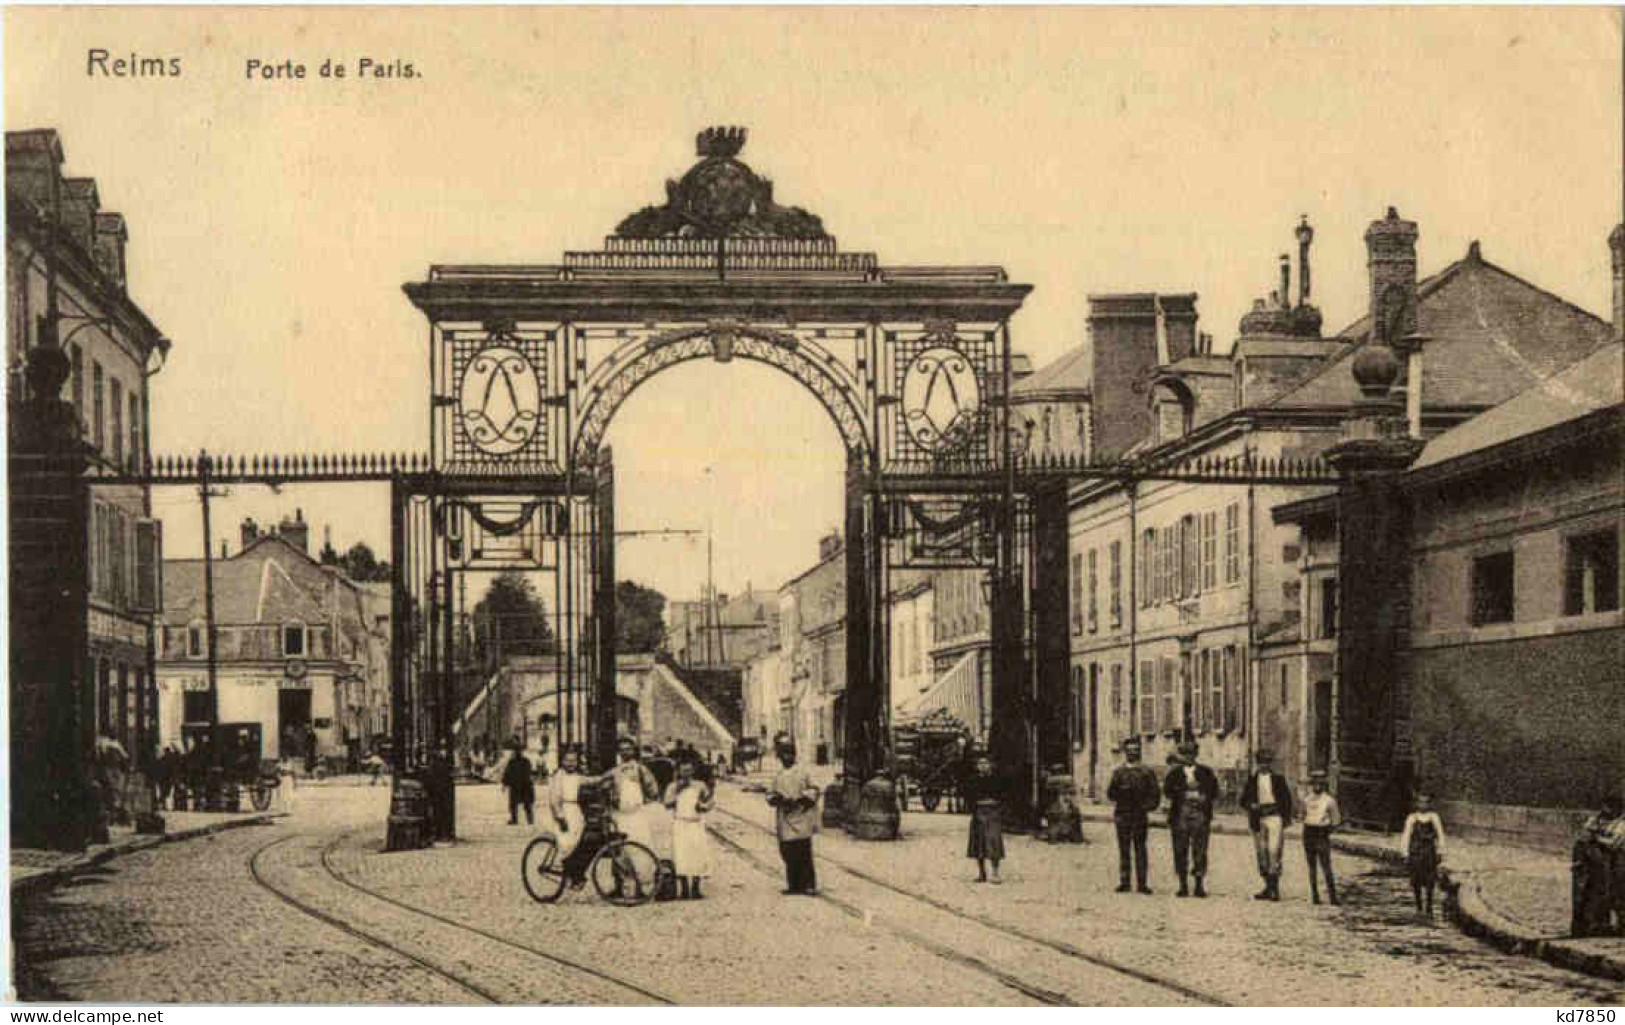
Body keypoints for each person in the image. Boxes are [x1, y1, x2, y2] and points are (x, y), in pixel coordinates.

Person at [604, 736, 661, 895]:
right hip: (620, 816)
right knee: (619, 851)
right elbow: (603, 784)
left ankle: (641, 887)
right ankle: (619, 885)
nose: (625, 752)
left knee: (639, 850)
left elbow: (653, 790)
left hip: (637, 816)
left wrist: (644, 802)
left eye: (628, 749)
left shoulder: (641, 769)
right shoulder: (615, 771)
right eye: (622, 750)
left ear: (633, 751)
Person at [1163, 740, 1219, 898]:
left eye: (1191, 754)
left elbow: (1214, 790)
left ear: (1196, 755)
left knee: (1200, 849)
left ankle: (1199, 885)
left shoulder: (1205, 772)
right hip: (1181, 812)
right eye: (1185, 754)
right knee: (1180, 848)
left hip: (1200, 813)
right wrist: (1182, 793)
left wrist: (1204, 797)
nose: (1189, 757)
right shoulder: (1175, 773)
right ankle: (1183, 885)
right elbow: (1167, 791)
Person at [1106, 737, 1160, 894]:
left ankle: (1142, 883)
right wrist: (1121, 794)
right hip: (1123, 814)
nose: (1133, 753)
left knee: (1140, 848)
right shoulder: (1119, 772)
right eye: (1130, 751)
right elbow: (1111, 793)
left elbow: (1155, 793)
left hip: (1139, 815)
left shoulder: (1146, 772)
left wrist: (1147, 806)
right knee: (1124, 849)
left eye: (1136, 750)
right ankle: (1124, 882)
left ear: (1139, 752)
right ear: (1125, 753)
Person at [768, 732, 820, 895]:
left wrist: (801, 800)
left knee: (804, 851)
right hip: (785, 818)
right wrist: (779, 800)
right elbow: (770, 795)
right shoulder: (778, 776)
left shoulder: (803, 773)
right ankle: (794, 884)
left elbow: (814, 790)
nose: (787, 757)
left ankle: (809, 884)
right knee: (788, 852)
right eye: (783, 754)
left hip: (801, 816)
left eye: (789, 754)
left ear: (794, 755)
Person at [1240, 748, 1293, 901]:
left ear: (1271, 764)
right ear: (1258, 763)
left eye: (1267, 762)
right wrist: (1251, 805)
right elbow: (1243, 800)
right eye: (1261, 762)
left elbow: (1286, 800)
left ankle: (1275, 889)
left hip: (1275, 817)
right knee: (1261, 853)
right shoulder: (1252, 780)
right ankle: (1267, 886)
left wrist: (1286, 818)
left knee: (1274, 851)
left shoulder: (1278, 780)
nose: (1264, 765)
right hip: (1258, 819)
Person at [1572, 794, 1625, 937]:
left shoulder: (1621, 823)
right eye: (1604, 807)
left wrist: (1596, 838)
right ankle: (1593, 926)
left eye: (1609, 807)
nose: (1605, 810)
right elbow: (1583, 836)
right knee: (1590, 895)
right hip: (1595, 864)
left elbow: (1615, 844)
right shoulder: (1596, 819)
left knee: (1618, 896)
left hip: (1618, 864)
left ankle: (1620, 927)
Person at [664, 752, 715, 899]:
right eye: (683, 771)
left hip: (695, 823)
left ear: (693, 771)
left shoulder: (699, 785)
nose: (686, 774)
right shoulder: (673, 786)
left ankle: (696, 888)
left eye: (689, 770)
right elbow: (666, 803)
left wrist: (704, 806)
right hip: (680, 823)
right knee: (681, 856)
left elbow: (710, 800)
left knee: (698, 855)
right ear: (678, 771)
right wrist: (677, 792)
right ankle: (684, 888)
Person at [545, 744, 591, 886]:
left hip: (576, 811)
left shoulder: (578, 777)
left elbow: (591, 781)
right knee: (567, 843)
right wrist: (560, 817)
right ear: (562, 762)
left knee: (579, 843)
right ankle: (567, 870)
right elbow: (554, 799)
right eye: (568, 761)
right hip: (565, 811)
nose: (571, 764)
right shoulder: (559, 777)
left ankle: (574, 873)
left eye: (574, 761)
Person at [1398, 791, 1446, 916]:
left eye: (1425, 802)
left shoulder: (1434, 817)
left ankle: (1429, 906)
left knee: (1430, 880)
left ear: (1429, 804)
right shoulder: (1412, 818)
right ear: (1416, 804)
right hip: (1416, 851)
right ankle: (1419, 906)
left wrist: (1441, 851)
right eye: (1420, 802)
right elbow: (1406, 835)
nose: (1423, 805)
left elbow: (1440, 835)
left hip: (1429, 851)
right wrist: (1405, 853)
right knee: (1416, 880)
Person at [963, 753, 1008, 883]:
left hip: (993, 812)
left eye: (985, 763)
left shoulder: (996, 779)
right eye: (980, 764)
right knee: (978, 843)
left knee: (993, 841)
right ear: (977, 766)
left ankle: (995, 872)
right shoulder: (973, 780)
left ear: (990, 765)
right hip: (978, 812)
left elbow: (1003, 795)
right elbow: (968, 795)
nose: (983, 766)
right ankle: (982, 873)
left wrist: (999, 809)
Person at [1301, 769, 1342, 905]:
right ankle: (1315, 895)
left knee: (1326, 866)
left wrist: (1326, 831)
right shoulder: (1306, 799)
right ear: (1312, 784)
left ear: (1323, 784)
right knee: (1311, 866)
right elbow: (1301, 815)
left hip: (1321, 833)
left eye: (1320, 783)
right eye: (1314, 783)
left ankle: (1333, 897)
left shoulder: (1329, 800)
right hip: (1308, 832)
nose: (1317, 785)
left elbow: (1336, 820)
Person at [502, 742, 536, 825]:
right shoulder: (517, 762)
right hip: (520, 786)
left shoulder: (523, 762)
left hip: (523, 786)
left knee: (525, 804)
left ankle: (527, 819)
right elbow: (507, 773)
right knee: (516, 804)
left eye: (518, 751)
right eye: (516, 751)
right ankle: (519, 819)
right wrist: (505, 784)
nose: (517, 752)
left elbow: (507, 774)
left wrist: (505, 784)